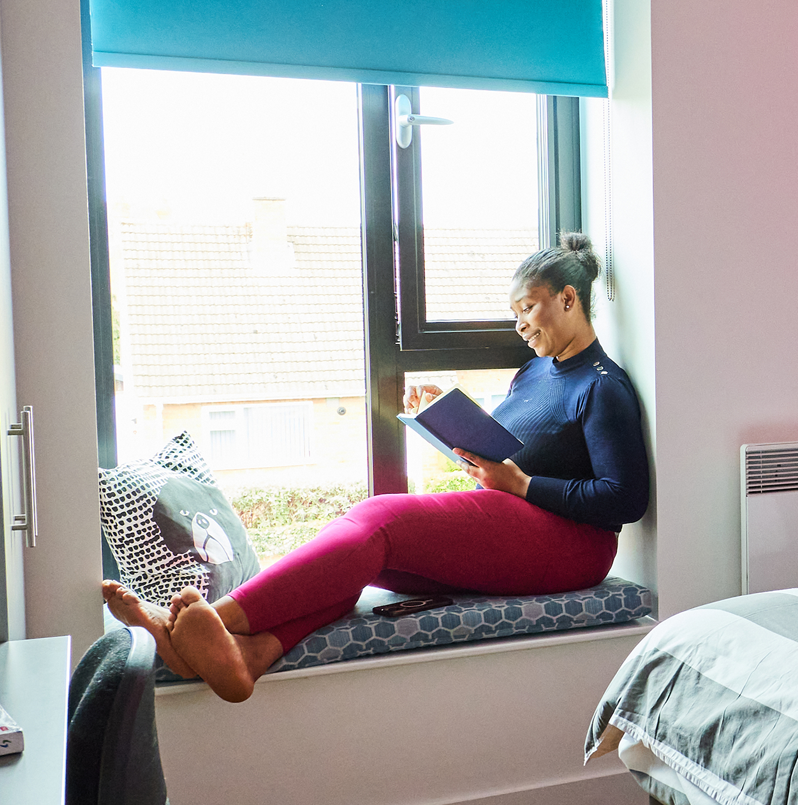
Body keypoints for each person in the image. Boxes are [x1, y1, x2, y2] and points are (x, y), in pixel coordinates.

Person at [104, 233, 648, 703]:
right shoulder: (532, 374)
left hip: (574, 548)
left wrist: (522, 484)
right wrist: (465, 437)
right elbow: (522, 451)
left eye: (527, 308)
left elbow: (624, 500)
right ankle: (248, 656)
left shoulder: (603, 386)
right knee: (355, 558)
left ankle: (205, 624)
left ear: (569, 299)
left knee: (379, 518)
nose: (520, 325)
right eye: (515, 315)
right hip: (520, 523)